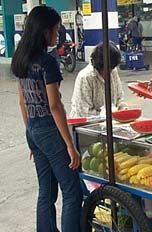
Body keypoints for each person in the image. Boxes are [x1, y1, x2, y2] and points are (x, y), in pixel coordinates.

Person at [11, 6, 82, 232]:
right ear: (45, 31)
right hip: (49, 130)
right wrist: (70, 145)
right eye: (56, 29)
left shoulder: (21, 58)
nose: (58, 34)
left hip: (32, 128)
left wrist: (32, 138)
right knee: (72, 192)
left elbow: (22, 102)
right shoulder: (47, 62)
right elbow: (54, 105)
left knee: (46, 191)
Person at [70, 42, 127, 118]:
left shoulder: (113, 71)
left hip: (111, 121)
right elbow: (83, 112)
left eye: (112, 68)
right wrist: (104, 115)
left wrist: (123, 108)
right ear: (99, 65)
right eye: (108, 69)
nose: (110, 72)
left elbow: (119, 97)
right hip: (86, 124)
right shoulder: (86, 77)